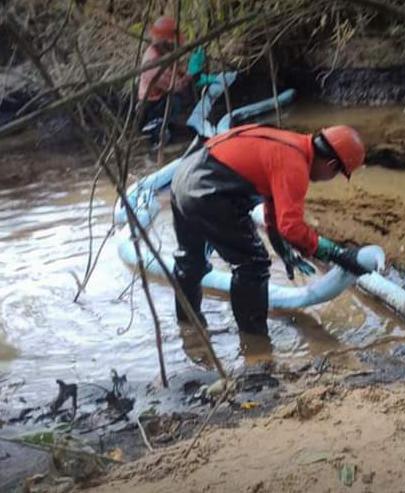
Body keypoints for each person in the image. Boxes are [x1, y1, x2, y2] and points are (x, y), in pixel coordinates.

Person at [170, 124, 373, 335]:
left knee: (190, 261)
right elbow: (292, 227)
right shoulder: (295, 165)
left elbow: (274, 210)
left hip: (183, 178)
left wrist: (282, 249)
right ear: (331, 165)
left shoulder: (288, 142)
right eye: (338, 173)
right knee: (253, 266)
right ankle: (255, 346)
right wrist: (335, 254)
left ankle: (189, 329)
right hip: (209, 192)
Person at [138, 16, 196, 149]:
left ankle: (171, 125)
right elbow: (173, 87)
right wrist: (192, 75)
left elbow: (177, 73)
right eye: (171, 43)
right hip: (151, 106)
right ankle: (157, 131)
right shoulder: (152, 63)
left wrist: (186, 74)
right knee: (175, 100)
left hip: (160, 101)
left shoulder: (162, 54)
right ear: (164, 42)